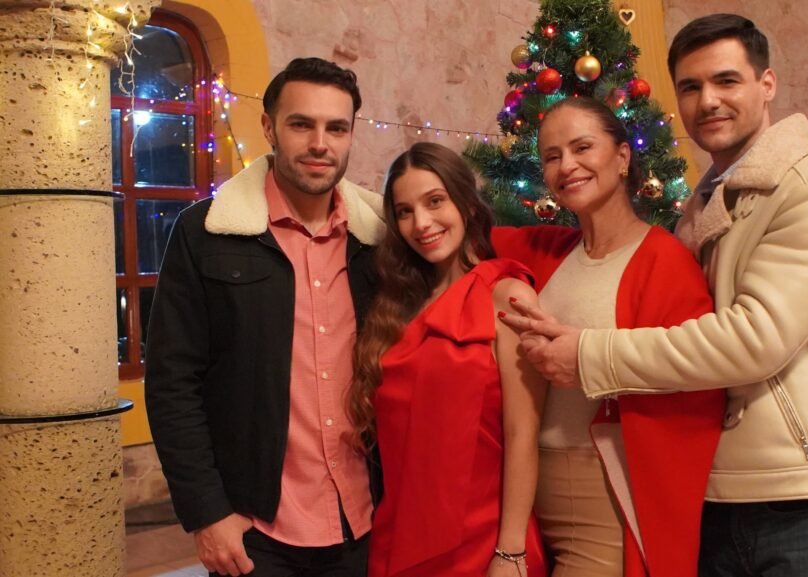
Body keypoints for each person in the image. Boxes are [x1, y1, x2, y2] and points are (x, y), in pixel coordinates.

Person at [501, 13, 808, 577]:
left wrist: (586, 354)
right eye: (690, 86)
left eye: (726, 81)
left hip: (807, 497)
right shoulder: (704, 209)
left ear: (767, 83)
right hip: (719, 490)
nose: (708, 101)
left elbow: (754, 340)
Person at [145, 57, 385, 577]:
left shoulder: (379, 240)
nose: (320, 143)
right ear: (269, 128)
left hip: (367, 520)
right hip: (258, 530)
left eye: (336, 128)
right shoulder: (205, 232)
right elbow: (172, 383)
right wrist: (207, 513)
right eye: (301, 124)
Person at [492, 97, 725, 577]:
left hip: (604, 503)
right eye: (552, 156)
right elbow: (453, 227)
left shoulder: (665, 261)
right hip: (529, 503)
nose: (566, 166)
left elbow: (697, 386)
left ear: (622, 157)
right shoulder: (548, 251)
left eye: (582, 148)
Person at [346, 142, 547, 577]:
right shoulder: (395, 308)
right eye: (404, 211)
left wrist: (511, 552)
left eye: (435, 201)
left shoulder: (507, 295)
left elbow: (522, 433)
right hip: (400, 535)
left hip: (485, 541)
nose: (421, 223)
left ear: (467, 205)